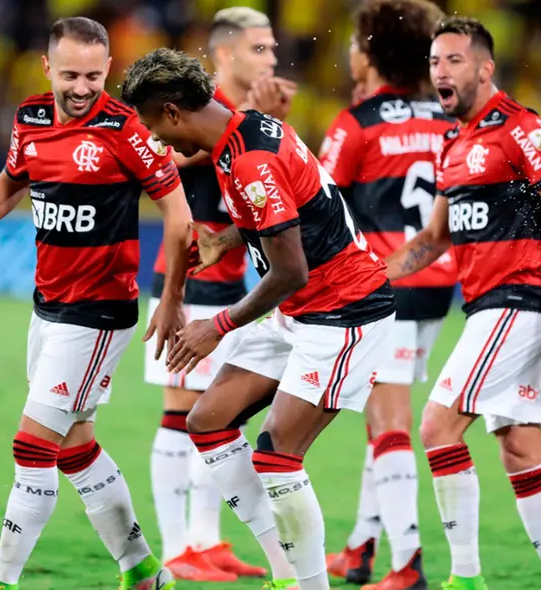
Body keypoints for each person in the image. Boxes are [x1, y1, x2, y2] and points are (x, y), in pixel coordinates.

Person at [121, 48, 397, 590]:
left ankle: (307, 583)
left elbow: (290, 268)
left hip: (344, 312)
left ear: (174, 112)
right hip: (302, 311)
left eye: (155, 126)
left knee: (276, 455)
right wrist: (226, 239)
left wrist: (216, 326)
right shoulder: (243, 131)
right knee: (207, 421)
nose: (158, 141)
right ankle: (286, 571)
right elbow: (291, 210)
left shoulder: (248, 160)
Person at [0, 17, 191, 590]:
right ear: (47, 68)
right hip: (49, 307)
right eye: (69, 75)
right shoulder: (30, 117)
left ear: (108, 70)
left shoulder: (125, 130)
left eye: (92, 75)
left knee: (32, 443)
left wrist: (173, 295)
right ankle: (144, 570)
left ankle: (1, 579)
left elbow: (179, 215)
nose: (81, 88)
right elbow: (14, 177)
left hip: (100, 313)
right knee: (75, 447)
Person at [384, 17, 541, 590]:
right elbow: (433, 241)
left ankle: (466, 576)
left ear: (484, 67)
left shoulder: (519, 128)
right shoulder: (453, 142)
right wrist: (367, 275)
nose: (440, 72)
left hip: (517, 303)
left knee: (436, 425)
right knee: (521, 450)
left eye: (452, 60)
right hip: (487, 308)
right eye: (434, 62)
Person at [143, 6, 296, 581]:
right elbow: (174, 171)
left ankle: (208, 541)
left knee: (216, 416)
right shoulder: (187, 114)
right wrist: (172, 295)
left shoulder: (239, 117)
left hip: (229, 282)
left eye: (273, 49)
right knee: (178, 414)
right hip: (184, 281)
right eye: (260, 49)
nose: (272, 60)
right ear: (226, 54)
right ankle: (178, 547)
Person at [317, 1, 454, 588]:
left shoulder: (358, 123)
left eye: (354, 41)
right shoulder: (451, 117)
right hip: (437, 283)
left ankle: (407, 563)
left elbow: (314, 207)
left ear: (370, 51)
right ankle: (360, 547)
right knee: (384, 420)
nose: (350, 50)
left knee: (388, 421)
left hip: (384, 288)